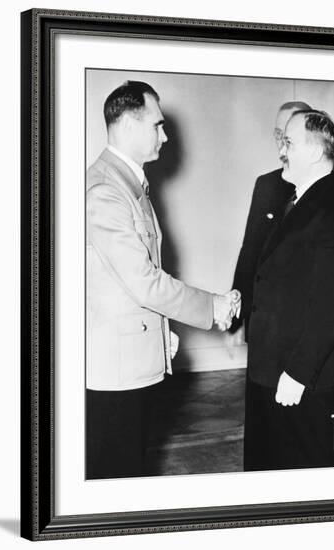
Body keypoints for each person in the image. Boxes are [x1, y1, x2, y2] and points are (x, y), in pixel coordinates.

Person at [86, 80, 240, 479]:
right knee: (114, 475)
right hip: (115, 372)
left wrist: (161, 331)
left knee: (129, 466)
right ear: (128, 125)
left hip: (128, 360)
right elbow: (143, 282)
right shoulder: (106, 189)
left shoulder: (125, 183)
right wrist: (214, 306)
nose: (166, 135)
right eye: (157, 125)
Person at [243, 109, 334, 471]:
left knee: (299, 475)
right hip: (272, 367)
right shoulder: (300, 198)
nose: (281, 152)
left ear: (315, 152)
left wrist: (298, 373)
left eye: (288, 143)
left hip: (296, 377)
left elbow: (332, 303)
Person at [230, 101, 311, 339]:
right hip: (265, 320)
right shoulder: (266, 185)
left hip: (305, 323)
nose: (281, 144)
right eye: (278, 135)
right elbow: (250, 250)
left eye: (288, 136)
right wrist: (237, 314)